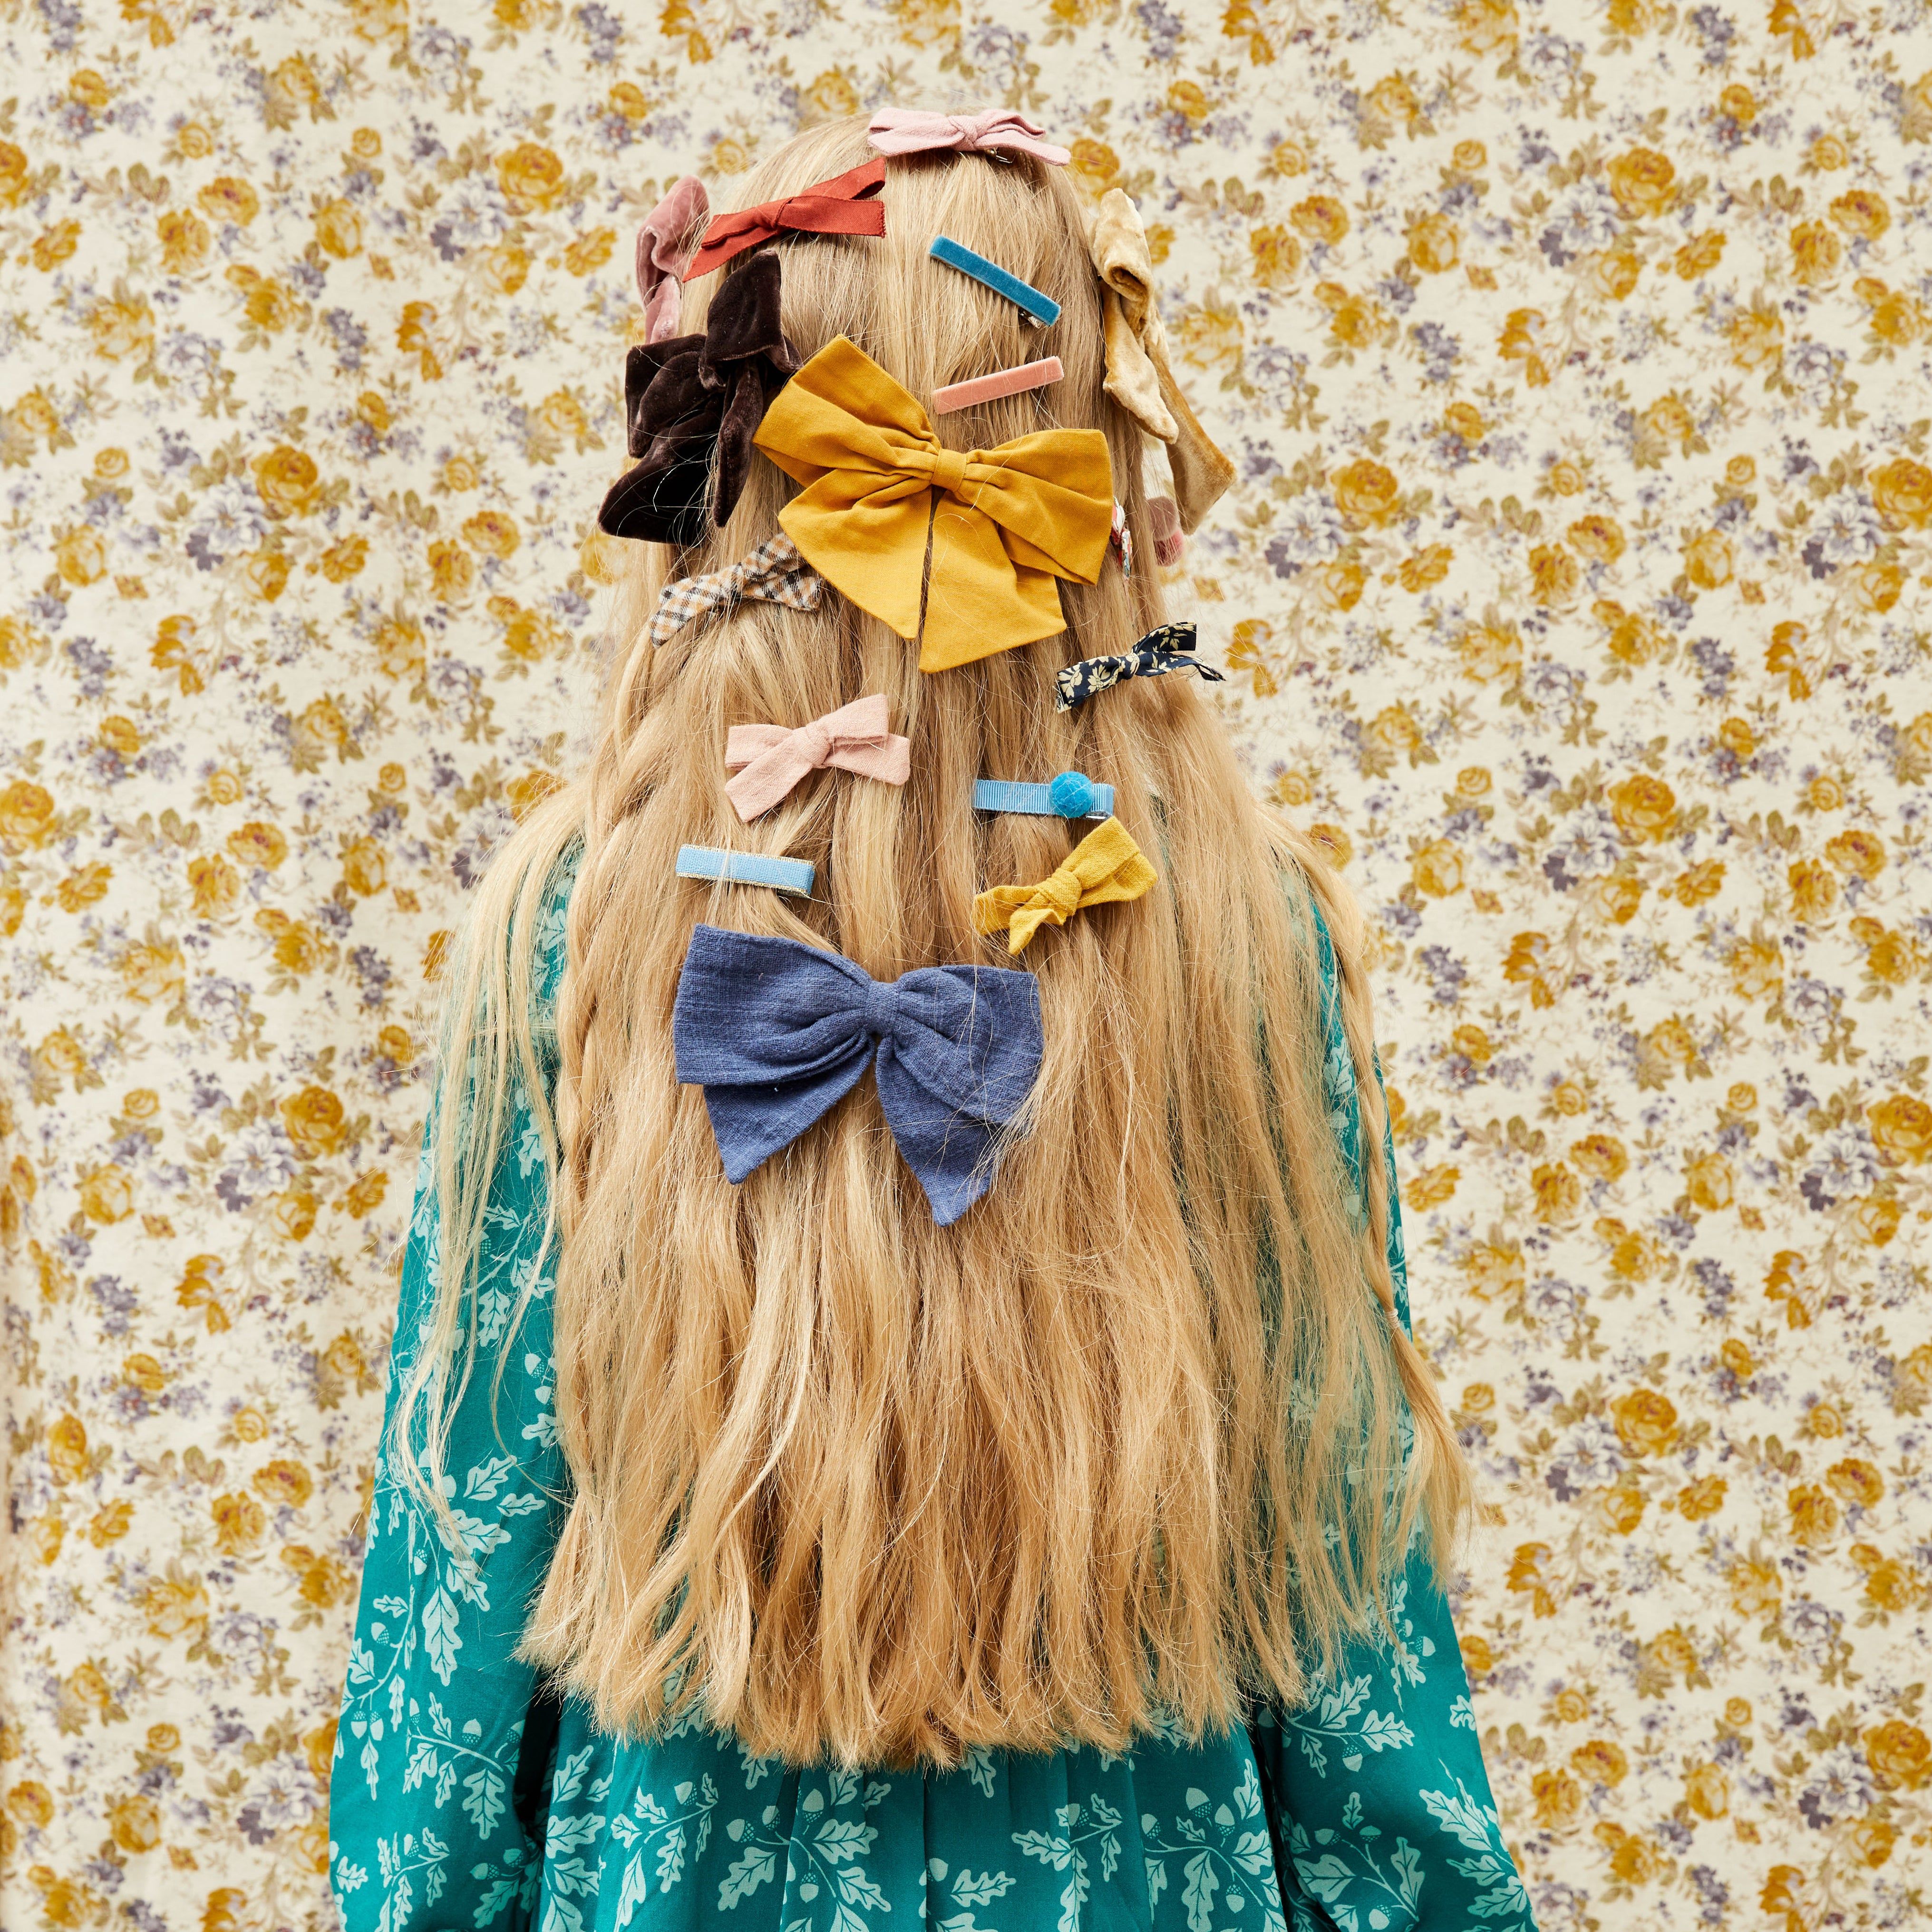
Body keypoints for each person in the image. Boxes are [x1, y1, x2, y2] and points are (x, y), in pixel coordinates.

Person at [328, 112, 1539, 1932]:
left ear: (718, 453)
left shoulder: (567, 932)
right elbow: (1343, 1574)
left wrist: (419, 1901)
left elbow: (465, 1544)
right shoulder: (1240, 923)